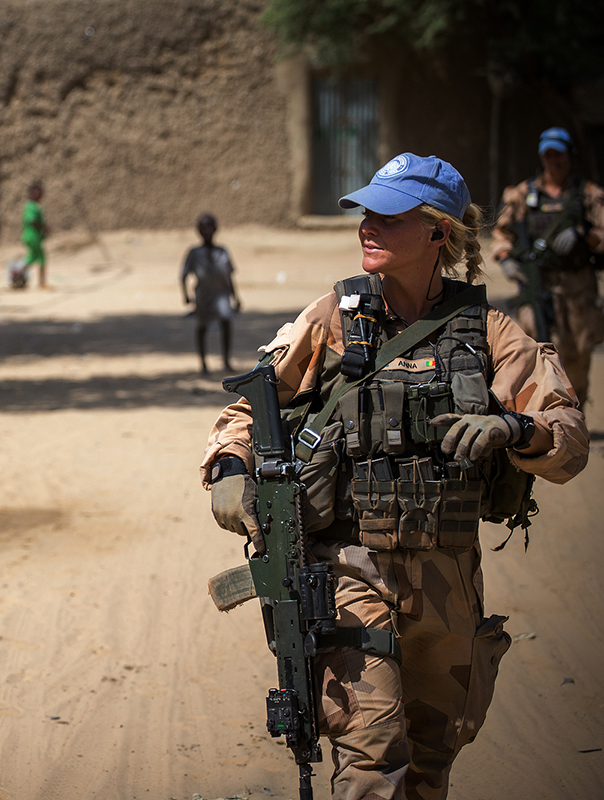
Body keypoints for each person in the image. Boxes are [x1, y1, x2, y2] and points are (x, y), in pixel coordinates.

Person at [200, 154, 588, 800]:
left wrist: (514, 430)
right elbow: (250, 405)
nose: (367, 226)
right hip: (351, 572)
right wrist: (230, 469)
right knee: (372, 767)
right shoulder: (334, 318)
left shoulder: (490, 331)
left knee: (429, 772)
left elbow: (570, 438)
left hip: (449, 588)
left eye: (389, 215)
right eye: (366, 213)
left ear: (438, 232)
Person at [491, 126, 604, 404]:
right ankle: (546, 413)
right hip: (537, 285)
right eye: (549, 155)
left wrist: (582, 234)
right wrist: (506, 260)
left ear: (569, 155)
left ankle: (574, 410)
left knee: (578, 353)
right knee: (537, 348)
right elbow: (502, 234)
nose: (554, 161)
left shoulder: (587, 194)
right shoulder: (522, 195)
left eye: (559, 154)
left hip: (578, 286)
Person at [180, 213, 241, 374]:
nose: (207, 230)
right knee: (202, 327)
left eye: (210, 226)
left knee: (226, 321)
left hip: (221, 294)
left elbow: (229, 276)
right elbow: (183, 275)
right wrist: (185, 295)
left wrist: (236, 297)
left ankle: (226, 360)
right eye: (203, 227)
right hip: (203, 295)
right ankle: (203, 363)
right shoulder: (194, 253)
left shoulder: (222, 251)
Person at [21, 180, 49, 288]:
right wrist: (44, 227)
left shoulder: (35, 206)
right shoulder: (30, 206)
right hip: (32, 236)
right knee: (41, 257)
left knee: (32, 257)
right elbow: (32, 221)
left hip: (35, 236)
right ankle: (42, 283)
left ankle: (18, 275)